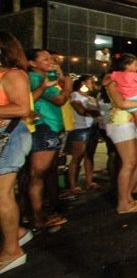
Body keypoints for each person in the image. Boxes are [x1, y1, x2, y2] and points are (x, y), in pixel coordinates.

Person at [26, 49, 71, 230]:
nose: (50, 61)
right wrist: (68, 85)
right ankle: (37, 217)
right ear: (32, 63)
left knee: (43, 173)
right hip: (44, 127)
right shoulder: (35, 79)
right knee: (37, 174)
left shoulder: (45, 79)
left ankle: (40, 212)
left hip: (51, 127)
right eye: (45, 59)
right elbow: (59, 99)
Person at [0, 33, 33, 274]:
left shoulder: (12, 74)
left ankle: (11, 251)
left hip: (10, 137)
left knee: (2, 195)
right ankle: (17, 233)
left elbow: (22, 107)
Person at [103, 74, 137, 214]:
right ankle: (122, 203)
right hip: (122, 122)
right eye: (134, 65)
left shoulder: (136, 83)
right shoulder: (113, 82)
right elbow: (122, 103)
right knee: (129, 162)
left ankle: (127, 195)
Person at [66, 75, 101, 194]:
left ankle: (89, 181)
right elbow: (80, 110)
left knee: (89, 155)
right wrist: (95, 112)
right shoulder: (75, 95)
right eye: (91, 82)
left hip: (92, 128)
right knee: (77, 157)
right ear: (83, 83)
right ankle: (73, 185)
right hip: (80, 128)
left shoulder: (91, 98)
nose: (93, 84)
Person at [110, 54, 137, 140]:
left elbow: (106, 81)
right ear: (127, 65)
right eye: (136, 64)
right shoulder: (135, 75)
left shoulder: (116, 75)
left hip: (129, 99)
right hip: (134, 98)